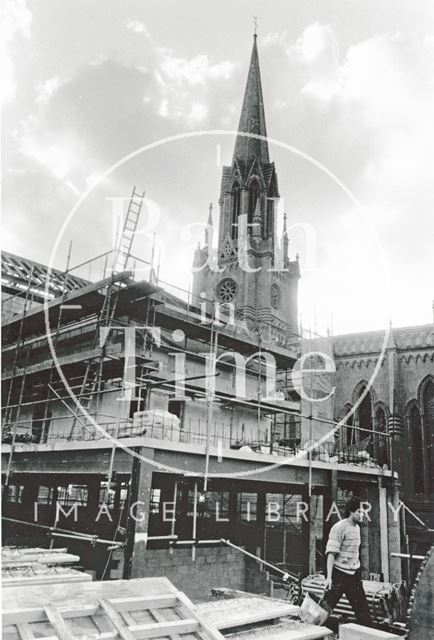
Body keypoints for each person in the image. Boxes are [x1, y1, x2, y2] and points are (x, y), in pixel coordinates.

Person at [322, 496, 372, 627]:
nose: (362, 515)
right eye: (359, 512)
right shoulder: (339, 527)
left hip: (353, 575)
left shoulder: (357, 528)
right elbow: (331, 553)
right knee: (323, 610)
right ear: (351, 512)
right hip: (338, 574)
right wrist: (328, 578)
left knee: (364, 613)